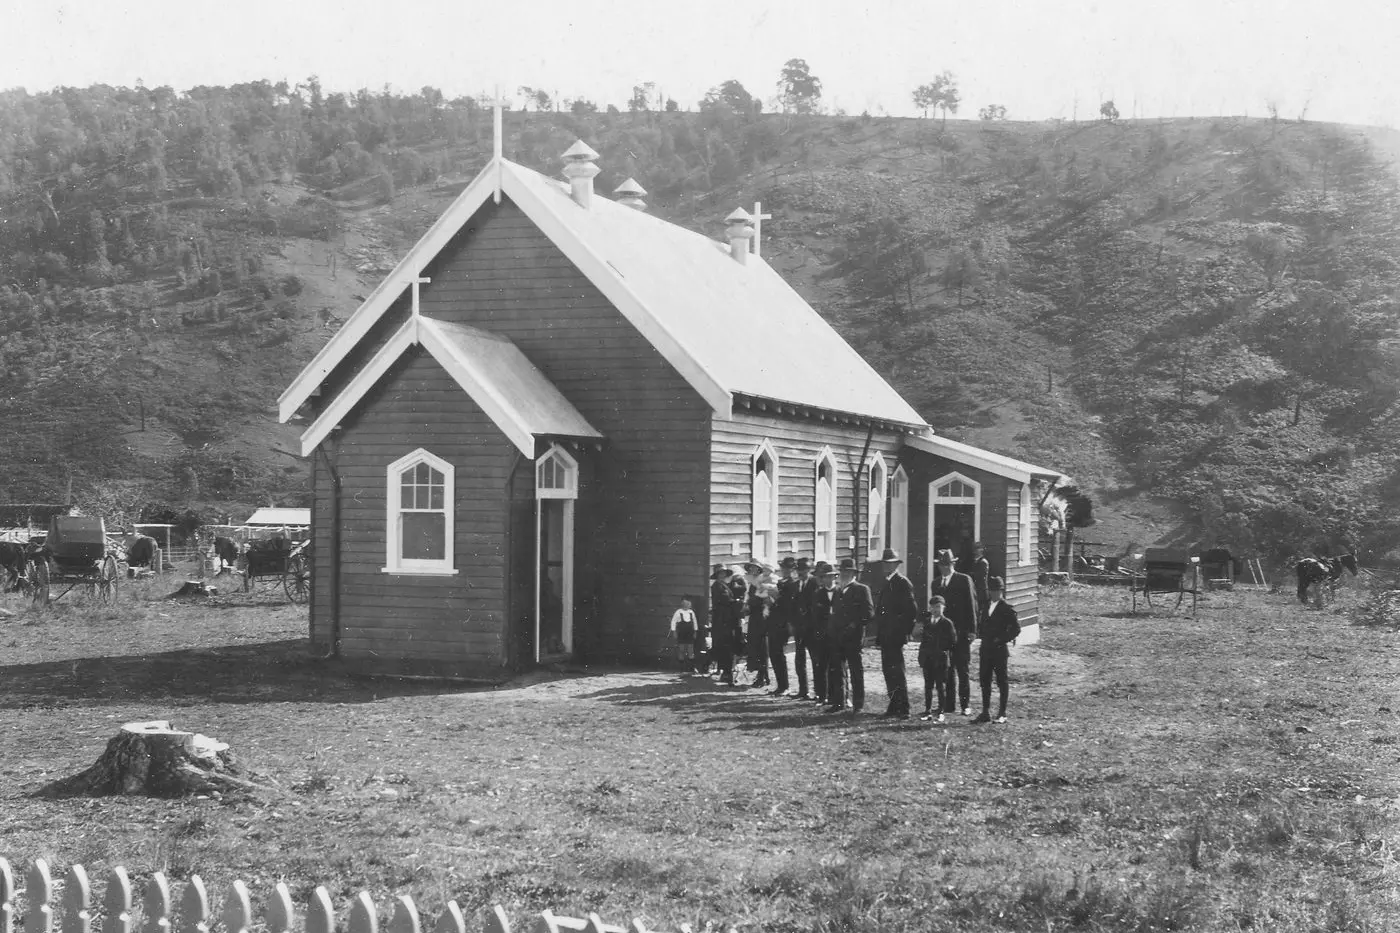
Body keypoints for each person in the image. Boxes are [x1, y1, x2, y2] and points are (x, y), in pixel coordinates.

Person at [929, 548, 979, 716]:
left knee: (962, 669)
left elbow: (972, 606)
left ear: (953, 564)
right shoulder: (936, 584)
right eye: (941, 565)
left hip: (962, 632)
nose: (944, 568)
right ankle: (948, 705)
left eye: (947, 564)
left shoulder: (964, 580)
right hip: (943, 635)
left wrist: (972, 630)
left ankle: (965, 705)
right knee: (946, 670)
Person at [873, 547, 918, 719]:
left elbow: (911, 610)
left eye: (890, 563)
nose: (887, 566)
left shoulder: (902, 583)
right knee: (888, 671)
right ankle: (894, 705)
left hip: (896, 635)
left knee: (897, 671)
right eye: (885, 563)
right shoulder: (886, 582)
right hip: (886, 635)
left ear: (896, 565)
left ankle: (904, 707)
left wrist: (905, 631)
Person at [826, 557, 872, 714]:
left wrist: (854, 625)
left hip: (853, 637)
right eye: (842, 571)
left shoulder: (861, 589)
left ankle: (858, 704)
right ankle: (839, 702)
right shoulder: (838, 591)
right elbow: (833, 613)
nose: (844, 574)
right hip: (838, 637)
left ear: (854, 573)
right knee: (838, 671)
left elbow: (868, 613)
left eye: (848, 572)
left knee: (855, 670)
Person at [975, 576, 1021, 724]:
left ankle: (1002, 712)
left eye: (997, 591)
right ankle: (985, 711)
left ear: (1002, 591)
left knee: (1002, 681)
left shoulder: (1006, 608)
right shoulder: (986, 606)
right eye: (992, 590)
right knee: (985, 680)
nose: (994, 594)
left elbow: (1016, 629)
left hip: (999, 650)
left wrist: (1001, 639)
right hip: (986, 649)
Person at [918, 595, 956, 722]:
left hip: (940, 659)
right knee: (928, 685)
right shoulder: (928, 622)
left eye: (938, 607)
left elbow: (952, 641)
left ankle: (941, 710)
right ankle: (928, 710)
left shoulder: (947, 623)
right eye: (933, 607)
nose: (935, 610)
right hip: (928, 658)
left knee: (940, 686)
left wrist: (941, 649)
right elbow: (923, 640)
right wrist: (922, 656)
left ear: (943, 608)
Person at [768, 556, 799, 696]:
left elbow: (788, 605)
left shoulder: (793, 584)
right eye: (783, 568)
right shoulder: (780, 582)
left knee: (779, 652)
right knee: (774, 653)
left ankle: (785, 685)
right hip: (774, 620)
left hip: (784, 622)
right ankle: (780, 685)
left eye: (788, 568)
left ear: (793, 570)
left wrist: (776, 598)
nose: (785, 571)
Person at [709, 565, 741, 686]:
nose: (722, 575)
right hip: (723, 621)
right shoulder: (717, 586)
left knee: (726, 646)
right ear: (717, 575)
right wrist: (738, 602)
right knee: (726, 646)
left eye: (723, 573)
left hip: (725, 620)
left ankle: (726, 673)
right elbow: (725, 600)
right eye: (720, 573)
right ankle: (727, 674)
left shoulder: (723, 585)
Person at [793, 557, 819, 701]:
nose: (801, 572)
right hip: (799, 628)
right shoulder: (796, 584)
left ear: (809, 570)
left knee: (816, 660)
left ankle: (819, 692)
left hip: (812, 628)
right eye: (799, 570)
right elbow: (793, 605)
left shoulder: (815, 583)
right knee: (799, 660)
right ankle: (803, 690)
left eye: (804, 570)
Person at [743, 561, 773, 687]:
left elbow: (765, 599)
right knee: (755, 646)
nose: (752, 571)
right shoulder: (752, 584)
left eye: (755, 569)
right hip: (754, 618)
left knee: (762, 648)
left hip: (762, 617)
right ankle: (762, 676)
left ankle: (762, 677)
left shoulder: (763, 582)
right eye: (751, 569)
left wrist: (751, 603)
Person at [668, 596, 698, 674]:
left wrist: (695, 631)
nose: (687, 605)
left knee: (690, 649)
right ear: (682, 604)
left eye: (688, 604)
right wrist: (674, 631)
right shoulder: (678, 612)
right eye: (685, 603)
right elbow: (673, 621)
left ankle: (691, 668)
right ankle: (681, 668)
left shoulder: (691, 612)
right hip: (682, 633)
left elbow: (695, 622)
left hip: (690, 633)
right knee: (681, 649)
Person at [968, 543, 991, 623]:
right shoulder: (975, 562)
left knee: (981, 612)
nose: (975, 551)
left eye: (977, 549)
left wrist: (971, 574)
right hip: (977, 590)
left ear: (981, 550)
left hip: (981, 591)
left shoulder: (983, 562)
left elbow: (981, 577)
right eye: (975, 549)